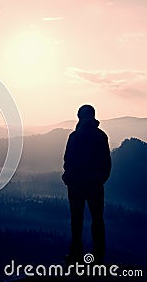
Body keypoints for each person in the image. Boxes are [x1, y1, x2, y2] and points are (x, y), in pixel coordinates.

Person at [62, 105, 111, 264]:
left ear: (79, 117)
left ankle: (76, 255)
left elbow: (68, 161)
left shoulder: (75, 136)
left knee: (77, 220)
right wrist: (100, 180)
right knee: (97, 219)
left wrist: (69, 178)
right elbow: (106, 163)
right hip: (96, 184)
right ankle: (98, 256)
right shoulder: (101, 136)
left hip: (76, 185)